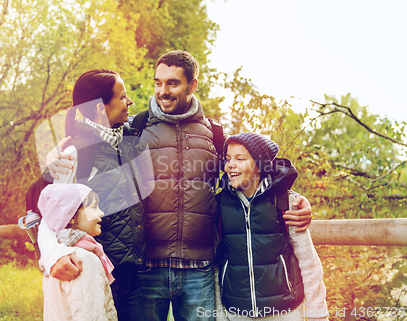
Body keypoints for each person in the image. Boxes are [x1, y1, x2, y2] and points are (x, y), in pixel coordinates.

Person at [45, 51, 313, 321]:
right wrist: (54, 158)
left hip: (200, 270)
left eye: (172, 83)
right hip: (145, 270)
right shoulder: (131, 130)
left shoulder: (215, 134)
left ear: (192, 85)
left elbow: (251, 172)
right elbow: (55, 190)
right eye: (158, 83)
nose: (163, 91)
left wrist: (293, 198)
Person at [38, 69, 150, 321]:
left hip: (133, 275)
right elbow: (50, 218)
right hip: (98, 274)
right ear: (101, 107)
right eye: (122, 96)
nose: (129, 101)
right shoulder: (75, 152)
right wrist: (53, 255)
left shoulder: (126, 140)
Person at [214, 133, 328, 321]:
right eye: (227, 159)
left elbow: (309, 262)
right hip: (236, 313)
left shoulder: (286, 202)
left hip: (285, 312)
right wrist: (219, 314)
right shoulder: (219, 206)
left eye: (240, 159)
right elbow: (216, 265)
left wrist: (317, 314)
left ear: (260, 165)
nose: (230, 165)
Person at [39, 183, 118, 321]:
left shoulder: (56, 257)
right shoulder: (82, 259)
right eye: (93, 207)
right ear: (71, 217)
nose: (101, 213)